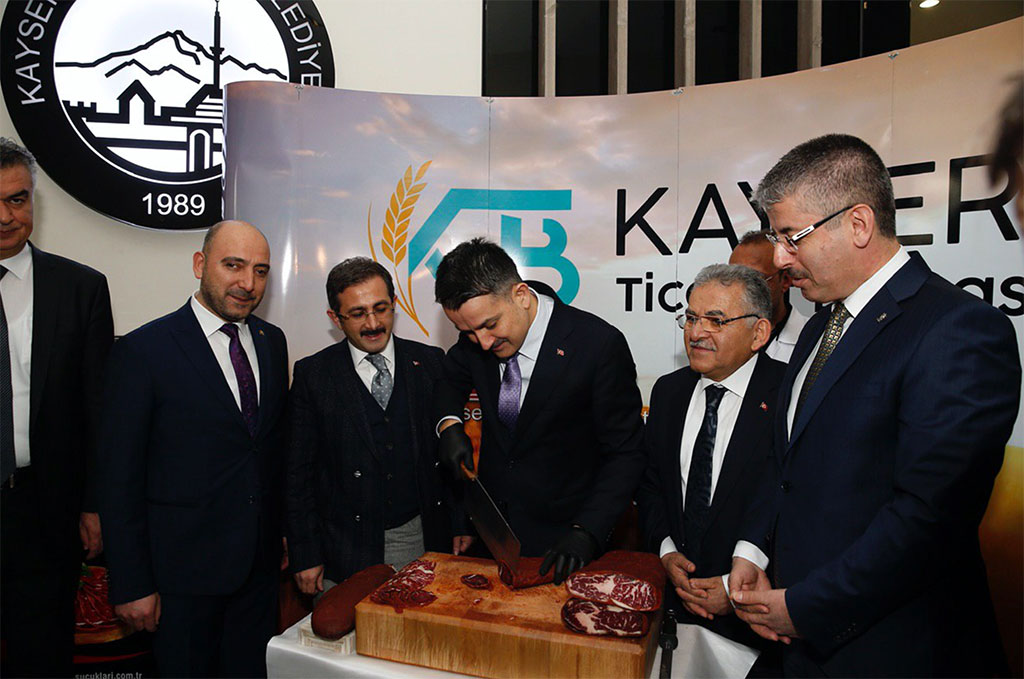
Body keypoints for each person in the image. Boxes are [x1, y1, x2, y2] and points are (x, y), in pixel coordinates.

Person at [728, 134, 1021, 677]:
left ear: (859, 224)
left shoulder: (959, 330)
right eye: (775, 237)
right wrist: (753, 549)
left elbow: (929, 519)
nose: (779, 258)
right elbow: (786, 463)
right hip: (799, 646)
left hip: (897, 651)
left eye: (791, 236)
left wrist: (808, 607)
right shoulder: (820, 324)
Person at [98, 220, 289, 677]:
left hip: (257, 576)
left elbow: (269, 452)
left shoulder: (272, 342)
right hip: (179, 582)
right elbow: (119, 478)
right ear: (200, 264)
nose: (248, 283)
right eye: (233, 266)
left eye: (260, 271)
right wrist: (132, 583)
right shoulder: (143, 351)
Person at [433, 238, 645, 584]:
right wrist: (449, 424)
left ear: (520, 295)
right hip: (494, 538)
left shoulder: (598, 346)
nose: (483, 343)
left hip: (565, 545)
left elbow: (626, 453)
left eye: (490, 325)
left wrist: (587, 530)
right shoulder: (477, 333)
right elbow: (448, 379)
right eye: (467, 332)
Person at [286, 257, 470, 599]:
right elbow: (298, 474)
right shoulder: (314, 375)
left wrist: (459, 522)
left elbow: (447, 460)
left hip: (422, 540)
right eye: (358, 314)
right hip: (343, 549)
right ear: (335, 318)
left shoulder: (431, 363)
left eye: (381, 309)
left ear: (394, 304)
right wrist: (305, 552)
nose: (373, 323)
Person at [0, 137, 114, 676]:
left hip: (46, 511)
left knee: (42, 655)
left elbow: (98, 411)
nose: (6, 216)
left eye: (17, 199)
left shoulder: (80, 289)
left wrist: (94, 505)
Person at [637, 264, 785, 664]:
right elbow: (651, 484)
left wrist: (736, 586)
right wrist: (666, 551)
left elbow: (792, 500)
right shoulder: (668, 392)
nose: (696, 333)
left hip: (759, 628)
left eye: (716, 321)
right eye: (691, 318)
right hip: (674, 612)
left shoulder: (790, 397)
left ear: (759, 333)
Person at [729, 229, 809, 363]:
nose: (740, 289)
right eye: (732, 279)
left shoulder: (813, 338)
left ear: (785, 281)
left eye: (754, 279)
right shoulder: (714, 337)